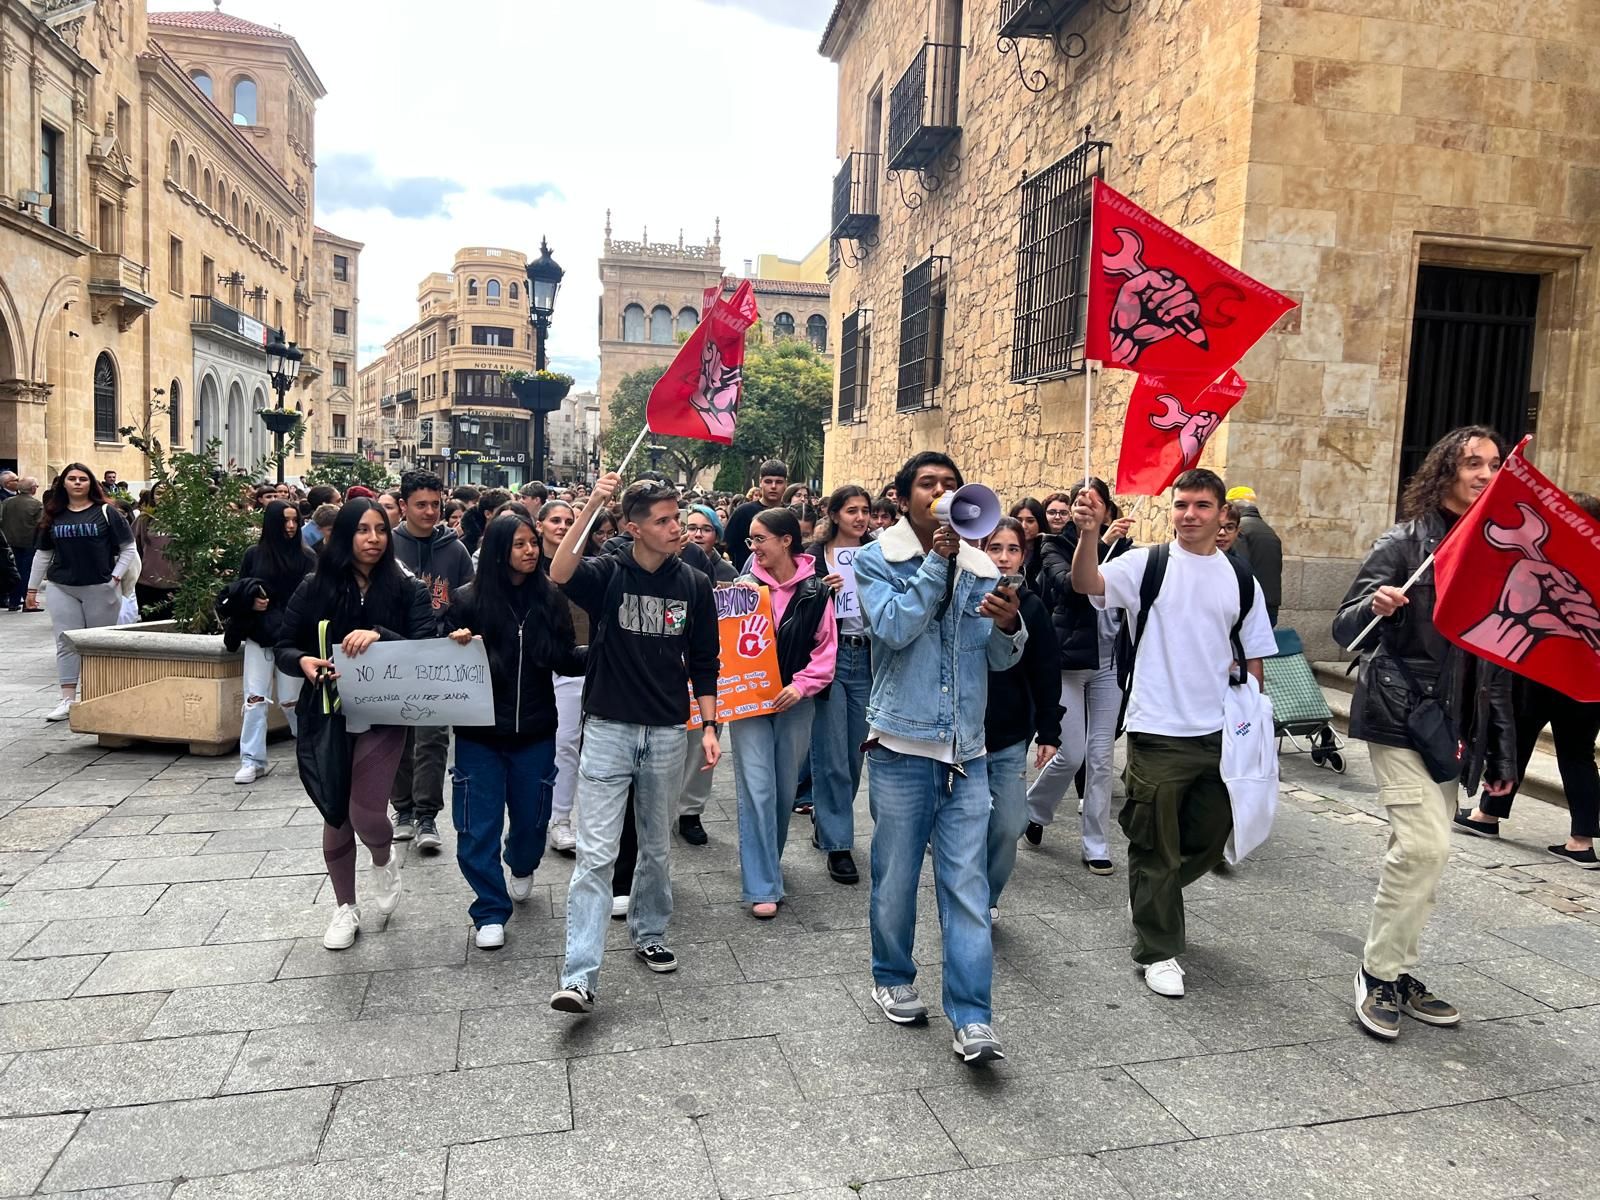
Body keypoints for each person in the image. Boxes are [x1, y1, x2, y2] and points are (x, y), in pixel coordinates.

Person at [1334, 427, 1518, 1039]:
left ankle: (1399, 969)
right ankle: (1377, 972)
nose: (1484, 474)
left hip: (1454, 726)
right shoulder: (1405, 543)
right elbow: (1343, 628)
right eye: (1472, 463)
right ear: (1445, 470)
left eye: (1493, 465)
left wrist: (1500, 746)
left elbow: (1495, 660)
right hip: (1399, 713)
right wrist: (1374, 606)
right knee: (1424, 848)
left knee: (1423, 856)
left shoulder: (1498, 551)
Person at [1070, 468, 1276, 1000]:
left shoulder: (1240, 577)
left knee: (1212, 836)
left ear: (1222, 515)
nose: (1190, 514)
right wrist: (1091, 534)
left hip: (1219, 733)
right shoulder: (1148, 564)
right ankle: (1158, 950)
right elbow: (1087, 584)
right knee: (1154, 843)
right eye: (1182, 504)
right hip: (1156, 729)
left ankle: (1150, 895)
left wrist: (1250, 720)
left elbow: (1253, 654)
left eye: (1202, 506)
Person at [854, 451, 1026, 1065]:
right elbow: (894, 629)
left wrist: (1011, 627)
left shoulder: (985, 567)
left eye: (951, 485)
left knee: (967, 885)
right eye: (928, 485)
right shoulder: (878, 559)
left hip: (967, 751)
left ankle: (973, 1017)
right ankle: (892, 973)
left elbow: (1001, 660)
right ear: (904, 499)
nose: (942, 492)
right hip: (901, 747)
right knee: (896, 877)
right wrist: (938, 562)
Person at [546, 474, 721, 1013]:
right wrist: (593, 500)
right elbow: (559, 570)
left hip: (668, 729)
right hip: (608, 727)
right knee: (597, 855)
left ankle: (649, 931)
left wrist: (710, 726)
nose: (676, 529)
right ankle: (579, 975)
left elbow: (705, 660)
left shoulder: (693, 583)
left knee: (656, 844)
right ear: (633, 528)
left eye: (678, 518)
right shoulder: (607, 574)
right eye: (664, 521)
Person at [275, 499, 433, 950]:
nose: (373, 539)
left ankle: (382, 858)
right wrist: (303, 661)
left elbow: (425, 646)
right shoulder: (315, 586)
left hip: (384, 715)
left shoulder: (407, 588)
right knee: (335, 811)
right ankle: (345, 907)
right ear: (343, 535)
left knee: (367, 812)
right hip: (326, 714)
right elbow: (285, 645)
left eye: (381, 530)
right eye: (362, 530)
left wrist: (382, 635)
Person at [446, 511, 586, 949]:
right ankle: (489, 908)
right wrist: (455, 641)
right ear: (499, 550)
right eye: (519, 544)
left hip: (535, 732)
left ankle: (521, 864)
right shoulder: (467, 599)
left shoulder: (550, 598)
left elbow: (564, 658)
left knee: (531, 825)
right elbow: (438, 656)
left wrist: (603, 654)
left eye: (533, 543)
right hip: (479, 737)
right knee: (475, 828)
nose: (530, 551)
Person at [1452, 491, 1600, 868]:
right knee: (1578, 754)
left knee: (1515, 741)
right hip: (1587, 685)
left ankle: (1488, 815)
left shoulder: (1551, 564)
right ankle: (1581, 842)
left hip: (1543, 674)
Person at [1024, 478, 1135, 871]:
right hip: (1067, 665)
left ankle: (1096, 844)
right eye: (1080, 503)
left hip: (1108, 667)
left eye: (1095, 502)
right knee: (1070, 754)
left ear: (1107, 509)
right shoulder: (1052, 544)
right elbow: (1072, 587)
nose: (1087, 508)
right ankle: (1035, 810)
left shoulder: (1126, 550)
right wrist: (1099, 544)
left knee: (1101, 759)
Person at [732, 507, 837, 916]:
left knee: (780, 789)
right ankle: (762, 884)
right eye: (751, 541)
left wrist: (801, 686)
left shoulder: (816, 592)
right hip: (749, 702)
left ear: (786, 540)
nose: (754, 548)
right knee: (756, 788)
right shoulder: (741, 587)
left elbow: (826, 652)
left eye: (760, 539)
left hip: (795, 702)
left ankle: (766, 862)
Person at [389, 470, 475, 853]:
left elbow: (468, 599)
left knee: (434, 737)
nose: (429, 511)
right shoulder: (387, 546)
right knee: (397, 736)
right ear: (403, 506)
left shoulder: (454, 550)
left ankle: (427, 815)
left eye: (435, 504)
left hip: (439, 655)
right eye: (420, 504)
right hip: (395, 652)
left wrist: (463, 631)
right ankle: (402, 809)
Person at [980, 517, 1062, 919]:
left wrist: (1049, 728)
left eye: (1012, 549)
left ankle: (988, 896)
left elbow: (1046, 668)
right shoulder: (961, 600)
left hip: (1009, 735)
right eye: (996, 548)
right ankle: (965, 897)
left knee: (1009, 823)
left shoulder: (1031, 606)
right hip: (960, 736)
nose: (1004, 557)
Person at [27, 464, 138, 721]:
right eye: (72, 478)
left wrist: (115, 577)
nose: (77, 483)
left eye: (82, 479)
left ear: (91, 483)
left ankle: (98, 696)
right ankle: (67, 699)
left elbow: (128, 548)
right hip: (61, 585)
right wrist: (31, 589)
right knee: (65, 641)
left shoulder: (106, 512)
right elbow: (43, 554)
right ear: (63, 483)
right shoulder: (54, 514)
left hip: (100, 586)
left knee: (99, 643)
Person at [807, 485, 874, 884]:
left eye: (865, 510)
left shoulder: (880, 554)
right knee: (831, 752)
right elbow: (795, 603)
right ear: (834, 514)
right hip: (829, 658)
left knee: (854, 754)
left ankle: (827, 816)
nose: (860, 518)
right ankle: (838, 842)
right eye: (852, 510)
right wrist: (820, 592)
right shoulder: (814, 557)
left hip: (867, 656)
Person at [234, 500, 317, 783]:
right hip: (260, 633)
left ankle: (309, 748)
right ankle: (252, 758)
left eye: (295, 520)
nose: (291, 526)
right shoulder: (253, 555)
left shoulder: (307, 557)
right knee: (255, 697)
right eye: (285, 520)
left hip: (293, 637)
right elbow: (239, 588)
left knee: (291, 700)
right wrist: (250, 602)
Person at [535, 499, 588, 856]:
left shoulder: (587, 566)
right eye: (555, 519)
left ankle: (561, 820)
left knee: (570, 744)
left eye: (569, 520)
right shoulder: (525, 562)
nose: (562, 525)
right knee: (556, 746)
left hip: (578, 666)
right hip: (536, 668)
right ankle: (547, 817)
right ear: (539, 524)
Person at [1226, 486, 1283, 625]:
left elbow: (1240, 568)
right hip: (1270, 605)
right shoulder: (1269, 531)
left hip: (1250, 607)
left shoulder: (1241, 530)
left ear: (1233, 507)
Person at [726, 459, 788, 572]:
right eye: (768, 481)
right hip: (747, 577)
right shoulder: (743, 512)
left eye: (779, 482)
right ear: (760, 482)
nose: (773, 486)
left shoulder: (790, 515)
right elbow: (727, 546)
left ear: (785, 484)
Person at [131, 486, 181, 621]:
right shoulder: (144, 519)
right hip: (147, 585)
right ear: (153, 496)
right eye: (159, 493)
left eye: (168, 493)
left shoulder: (184, 519)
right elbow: (134, 549)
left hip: (177, 584)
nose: (163, 496)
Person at [2, 478, 41, 612]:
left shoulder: (7, 502)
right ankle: (27, 601)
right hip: (28, 543)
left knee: (13, 571)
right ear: (32, 489)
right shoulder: (36, 504)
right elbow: (40, 526)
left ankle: (13, 601)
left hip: (10, 542)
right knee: (26, 572)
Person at [684, 505, 736, 582]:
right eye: (692, 528)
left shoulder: (729, 573)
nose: (698, 534)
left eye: (706, 530)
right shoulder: (671, 566)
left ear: (717, 537)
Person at [1008, 497, 1048, 595]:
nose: (1023, 526)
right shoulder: (1004, 552)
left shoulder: (1048, 551)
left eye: (1030, 521)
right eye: (1019, 520)